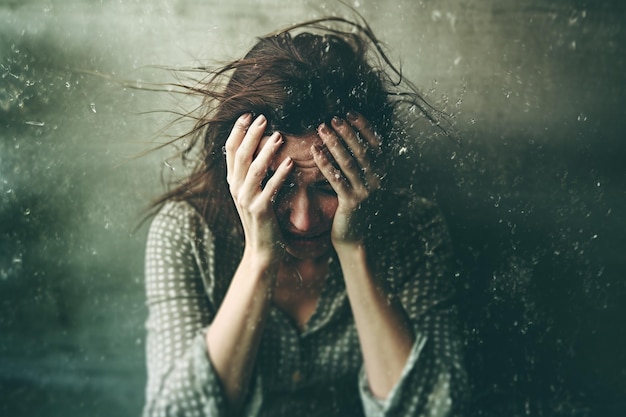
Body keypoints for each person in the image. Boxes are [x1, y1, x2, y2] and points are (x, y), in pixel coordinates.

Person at [142, 16, 466, 417]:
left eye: (330, 187)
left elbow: (435, 410)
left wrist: (354, 249)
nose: (303, 221)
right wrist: (260, 257)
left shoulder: (415, 229)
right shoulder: (186, 232)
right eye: (276, 187)